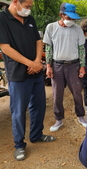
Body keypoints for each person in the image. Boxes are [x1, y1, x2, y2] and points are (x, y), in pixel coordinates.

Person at [0, 0, 56, 161]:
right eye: (27, 6)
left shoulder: (29, 19)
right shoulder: (2, 19)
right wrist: (30, 63)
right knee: (18, 110)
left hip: (36, 72)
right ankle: (19, 145)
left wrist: (38, 62)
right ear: (16, 2)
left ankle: (36, 135)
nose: (29, 10)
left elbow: (38, 41)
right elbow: (5, 48)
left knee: (39, 105)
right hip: (18, 74)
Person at [43, 2, 87, 132]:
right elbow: (49, 48)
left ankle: (81, 116)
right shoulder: (51, 27)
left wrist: (82, 66)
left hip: (74, 65)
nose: (71, 20)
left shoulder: (77, 29)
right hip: (57, 65)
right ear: (61, 15)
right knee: (57, 94)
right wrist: (48, 66)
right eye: (69, 17)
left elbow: (81, 49)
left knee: (77, 92)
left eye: (73, 18)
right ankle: (58, 119)